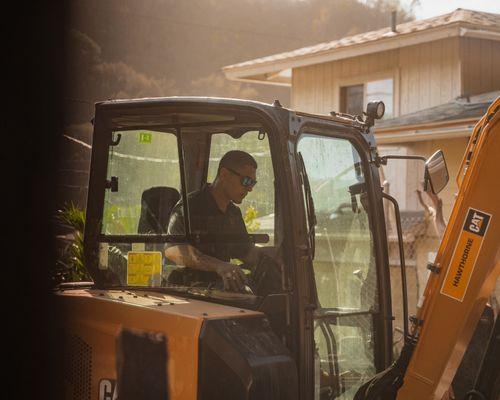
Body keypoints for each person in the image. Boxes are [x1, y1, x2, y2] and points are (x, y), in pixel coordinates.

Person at [164, 150, 262, 292]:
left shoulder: (233, 214)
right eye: (246, 181)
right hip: (186, 293)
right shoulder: (189, 207)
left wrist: (279, 255)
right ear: (224, 175)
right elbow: (173, 250)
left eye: (253, 182)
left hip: (220, 292)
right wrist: (219, 266)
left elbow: (246, 252)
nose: (250, 188)